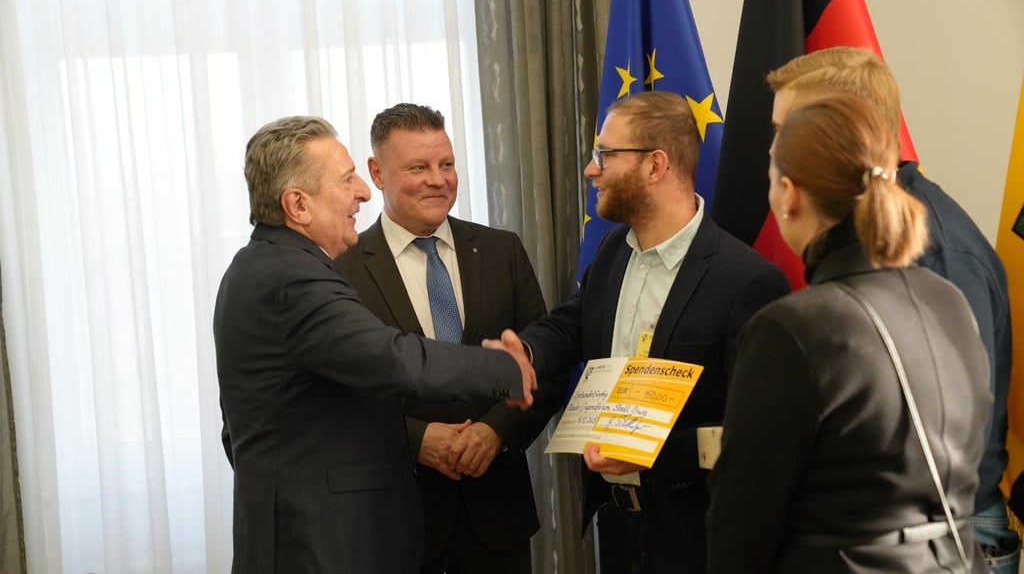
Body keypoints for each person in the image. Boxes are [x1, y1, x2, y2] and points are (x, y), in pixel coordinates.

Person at [214, 115, 537, 574]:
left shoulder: (263, 265)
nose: (363, 193)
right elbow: (390, 357)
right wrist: (501, 369)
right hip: (317, 542)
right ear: (298, 205)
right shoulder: (293, 276)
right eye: (346, 180)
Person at [498, 91, 791, 574]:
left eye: (605, 155)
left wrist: (647, 451)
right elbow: (575, 321)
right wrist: (528, 350)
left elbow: (759, 432)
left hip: (700, 539)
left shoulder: (747, 282)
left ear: (656, 166)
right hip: (616, 530)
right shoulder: (615, 249)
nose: (591, 170)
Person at [707, 93, 991, 573]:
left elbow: (740, 529)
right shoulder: (950, 301)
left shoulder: (790, 328)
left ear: (791, 195)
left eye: (772, 179)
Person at [764, 46, 1019, 573]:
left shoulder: (938, 254)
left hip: (943, 541)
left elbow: (942, 443)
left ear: (844, 127)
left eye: (785, 129)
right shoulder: (866, 241)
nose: (775, 150)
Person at [335, 103, 560, 574]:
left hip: (498, 523)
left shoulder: (502, 251)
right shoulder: (342, 271)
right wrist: (415, 439)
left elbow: (545, 368)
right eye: (418, 167)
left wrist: (495, 431)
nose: (438, 180)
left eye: (447, 165)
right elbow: (339, 397)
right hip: (399, 523)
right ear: (377, 172)